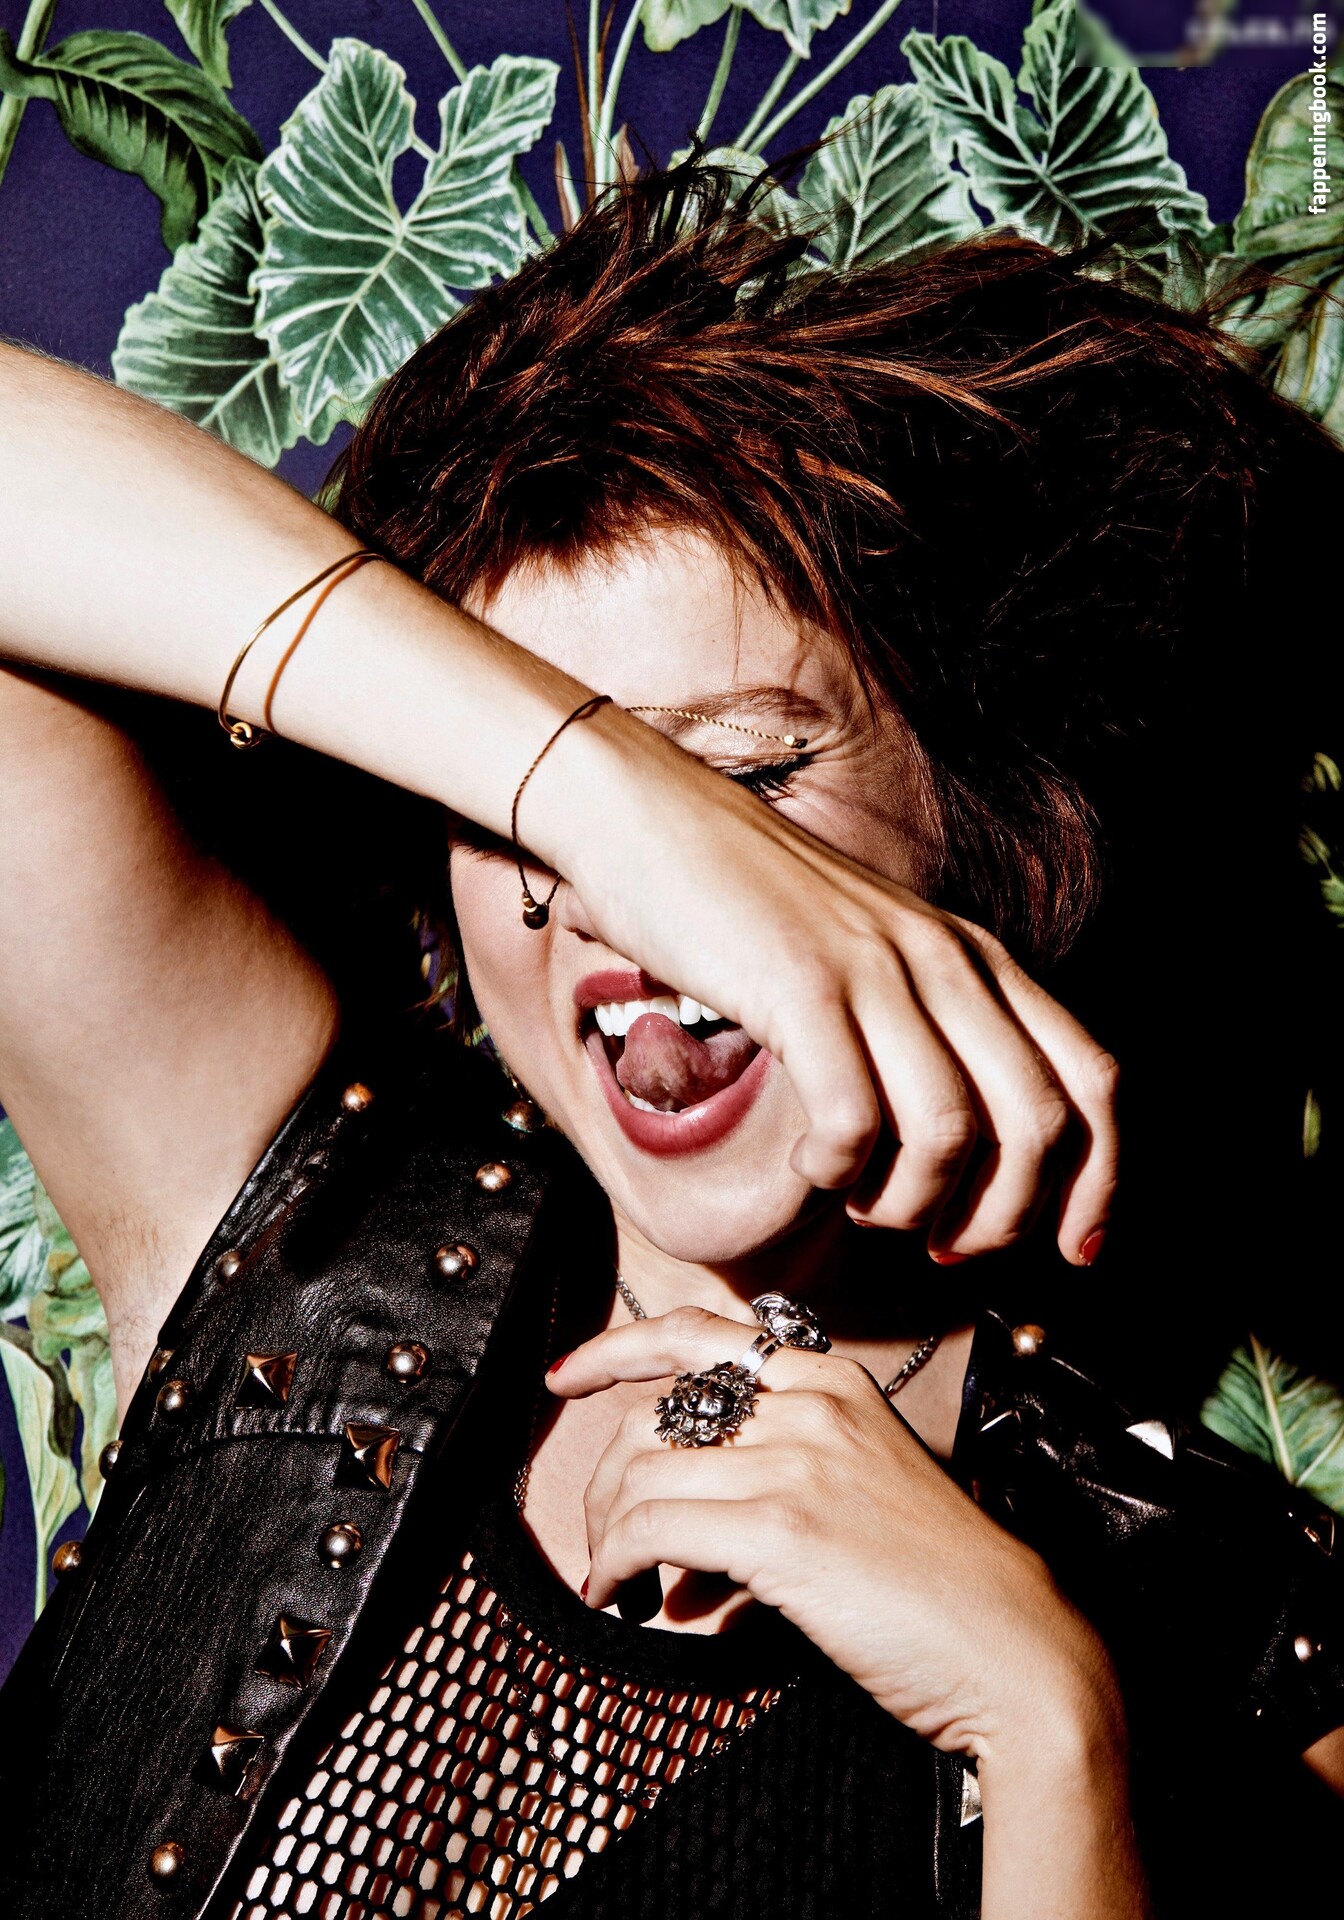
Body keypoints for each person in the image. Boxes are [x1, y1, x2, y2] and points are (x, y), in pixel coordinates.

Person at [0, 159, 1340, 1920]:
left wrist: (1044, 1726)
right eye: (521, 827)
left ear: (975, 813)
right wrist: (611, 801)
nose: (619, 918)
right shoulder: (295, 1228)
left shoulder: (1226, 1632)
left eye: (754, 770)